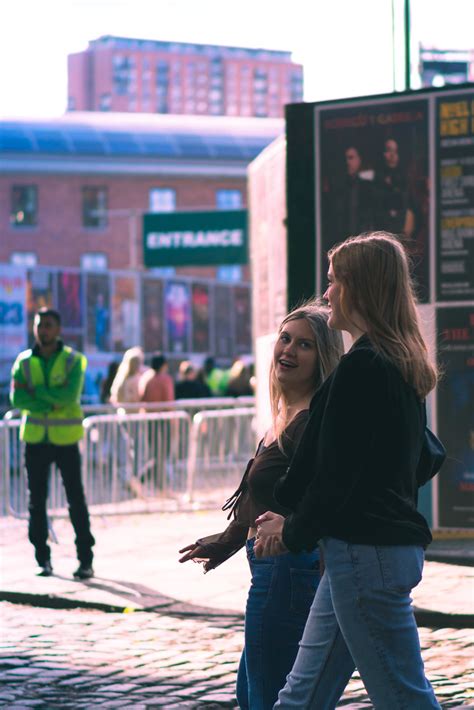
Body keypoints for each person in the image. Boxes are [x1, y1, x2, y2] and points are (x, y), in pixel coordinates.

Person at [255, 232, 442, 709]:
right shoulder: (395, 361)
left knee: (402, 697)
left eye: (335, 282)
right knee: (302, 693)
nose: (327, 293)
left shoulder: (366, 365)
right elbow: (411, 462)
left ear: (359, 289)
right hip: (363, 554)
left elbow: (339, 478)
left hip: (366, 555)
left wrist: (292, 530)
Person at [179, 301, 344, 710]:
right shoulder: (286, 416)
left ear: (322, 356)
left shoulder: (311, 421)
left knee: (266, 696)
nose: (288, 350)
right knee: (254, 691)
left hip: (288, 568)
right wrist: (228, 540)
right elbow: (262, 496)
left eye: (304, 345)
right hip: (271, 568)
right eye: (285, 339)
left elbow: (324, 495)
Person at [9, 307, 95, 579]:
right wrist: (50, 397)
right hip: (35, 440)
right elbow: (17, 400)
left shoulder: (73, 360)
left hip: (65, 440)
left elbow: (69, 397)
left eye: (48, 325)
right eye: (39, 325)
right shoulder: (23, 361)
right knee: (36, 501)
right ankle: (42, 559)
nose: (43, 330)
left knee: (75, 500)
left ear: (58, 329)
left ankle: (85, 559)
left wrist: (36, 393)